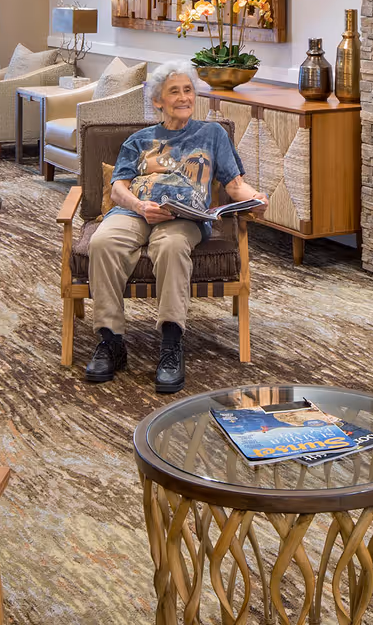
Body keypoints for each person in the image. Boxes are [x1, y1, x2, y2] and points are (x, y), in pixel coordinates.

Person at [84, 60, 264, 394]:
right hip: (136, 211)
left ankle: (171, 343)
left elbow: (236, 185)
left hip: (184, 218)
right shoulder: (140, 139)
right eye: (174, 92)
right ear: (157, 101)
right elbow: (119, 187)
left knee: (170, 246)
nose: (183, 97)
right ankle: (111, 342)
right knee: (103, 242)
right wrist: (139, 205)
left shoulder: (212, 134)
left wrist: (256, 198)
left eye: (188, 90)